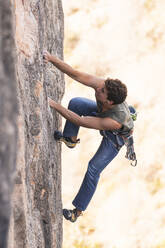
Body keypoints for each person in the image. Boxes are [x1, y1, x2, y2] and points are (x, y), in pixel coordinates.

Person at [43, 51, 137, 223]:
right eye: (101, 87)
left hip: (115, 138)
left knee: (93, 169)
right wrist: (51, 58)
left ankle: (77, 212)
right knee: (76, 103)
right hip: (105, 115)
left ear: (109, 101)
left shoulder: (114, 122)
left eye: (101, 91)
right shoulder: (103, 86)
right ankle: (70, 139)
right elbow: (76, 74)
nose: (98, 89)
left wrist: (53, 104)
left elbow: (79, 120)